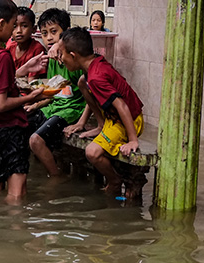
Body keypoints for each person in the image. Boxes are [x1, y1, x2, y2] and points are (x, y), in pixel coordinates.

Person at [0, 0, 44, 202]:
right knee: (17, 194)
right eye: (13, 25)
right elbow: (0, 103)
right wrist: (30, 97)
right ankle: (14, 230)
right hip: (10, 129)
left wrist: (22, 69)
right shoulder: (2, 55)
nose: (14, 31)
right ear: (1, 24)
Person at [58, 27, 144, 197]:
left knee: (92, 152)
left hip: (128, 121)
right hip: (112, 118)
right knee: (83, 82)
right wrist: (82, 123)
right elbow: (93, 91)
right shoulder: (92, 66)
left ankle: (114, 180)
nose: (61, 59)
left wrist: (133, 140)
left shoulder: (97, 77)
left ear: (73, 55)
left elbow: (122, 106)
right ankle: (101, 125)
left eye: (62, 54)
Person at [25, 8, 88, 177]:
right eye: (44, 34)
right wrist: (36, 104)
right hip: (53, 107)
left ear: (65, 33)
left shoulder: (74, 59)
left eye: (54, 32)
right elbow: (55, 91)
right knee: (17, 123)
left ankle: (55, 177)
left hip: (71, 110)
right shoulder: (51, 59)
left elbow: (91, 95)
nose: (49, 38)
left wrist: (81, 122)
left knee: (35, 140)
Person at [7, 7, 47, 80]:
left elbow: (32, 82)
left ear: (34, 29)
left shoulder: (37, 49)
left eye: (24, 26)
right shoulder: (10, 47)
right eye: (14, 26)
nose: (19, 31)